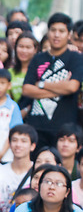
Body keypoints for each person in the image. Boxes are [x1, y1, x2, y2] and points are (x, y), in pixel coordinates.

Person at [22, 13, 83, 149]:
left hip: (64, 130)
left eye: (61, 31)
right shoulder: (38, 58)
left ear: (69, 35)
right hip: (37, 126)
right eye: (53, 30)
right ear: (48, 32)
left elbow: (72, 87)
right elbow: (26, 89)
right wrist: (61, 89)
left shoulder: (75, 58)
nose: (56, 35)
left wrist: (41, 85)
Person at [0, 124, 37, 212]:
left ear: (33, 146)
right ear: (9, 144)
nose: (18, 145)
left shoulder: (37, 172)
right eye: (14, 140)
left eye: (23, 141)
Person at [8, 31, 39, 104]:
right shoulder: (10, 72)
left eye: (28, 47)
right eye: (21, 46)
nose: (24, 51)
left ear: (35, 50)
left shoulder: (40, 72)